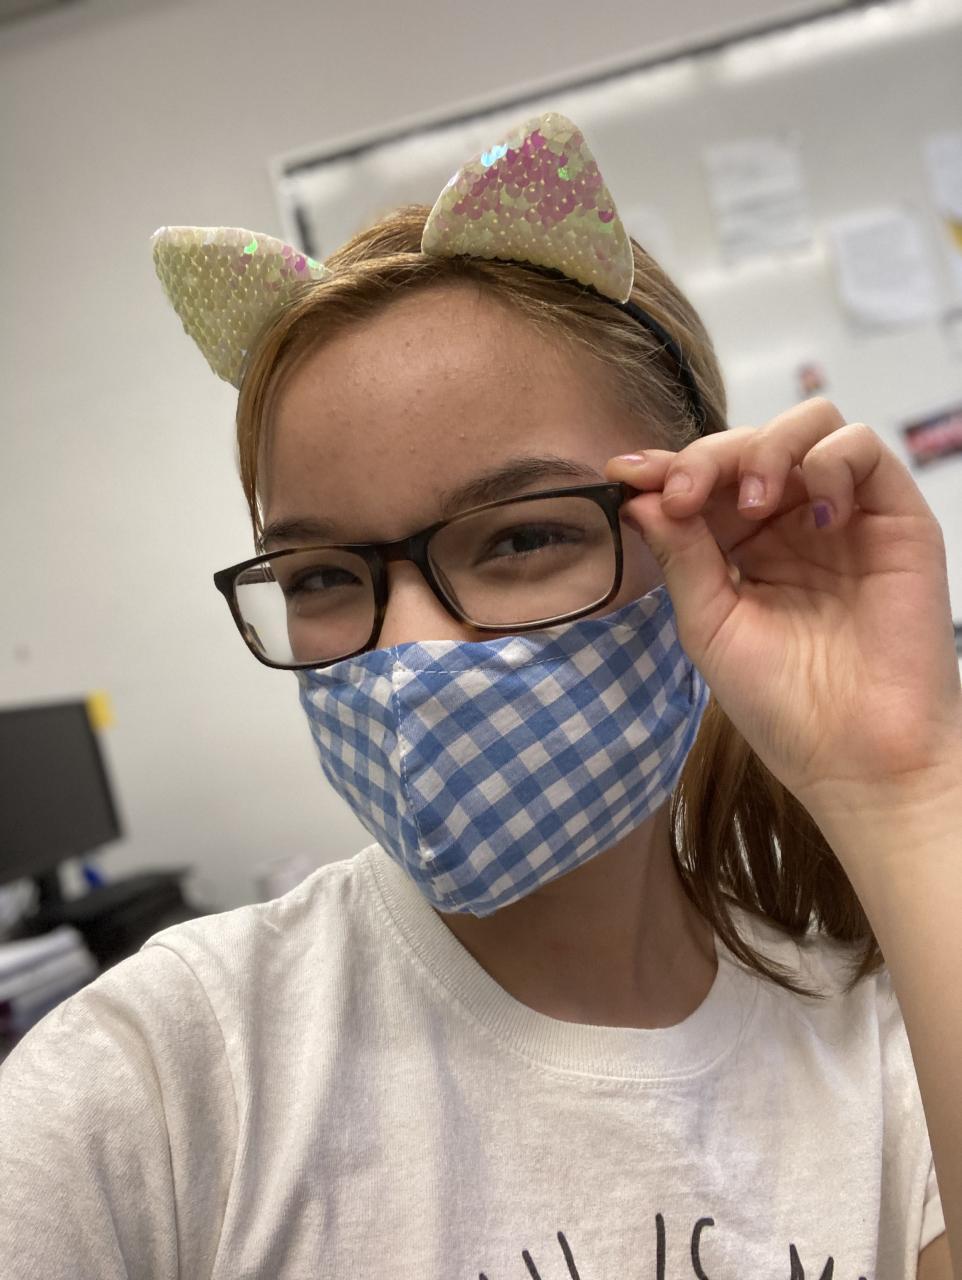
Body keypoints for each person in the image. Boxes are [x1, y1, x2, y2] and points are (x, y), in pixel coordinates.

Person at [1, 112, 959, 1279]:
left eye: (519, 537)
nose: (406, 651)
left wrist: (903, 782)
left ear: (706, 530)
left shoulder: (893, 1040)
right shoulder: (163, 1076)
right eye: (318, 575)